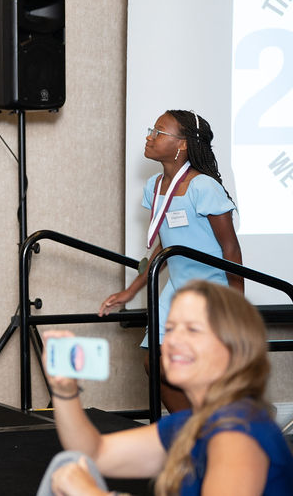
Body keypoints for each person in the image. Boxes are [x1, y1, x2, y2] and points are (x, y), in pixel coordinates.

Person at [39, 281, 293, 495]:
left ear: (232, 349)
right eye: (170, 328)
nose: (173, 340)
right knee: (68, 462)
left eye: (192, 329)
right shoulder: (190, 424)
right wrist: (64, 391)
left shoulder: (239, 434)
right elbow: (94, 452)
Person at [99, 110, 243, 412]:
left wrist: (237, 307)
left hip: (209, 293)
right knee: (155, 363)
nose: (149, 136)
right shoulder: (154, 187)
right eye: (151, 130)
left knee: (195, 371)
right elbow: (165, 244)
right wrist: (131, 291)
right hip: (175, 292)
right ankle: (192, 428)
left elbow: (230, 247)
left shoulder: (203, 187)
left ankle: (217, 424)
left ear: (183, 144)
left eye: (159, 131)